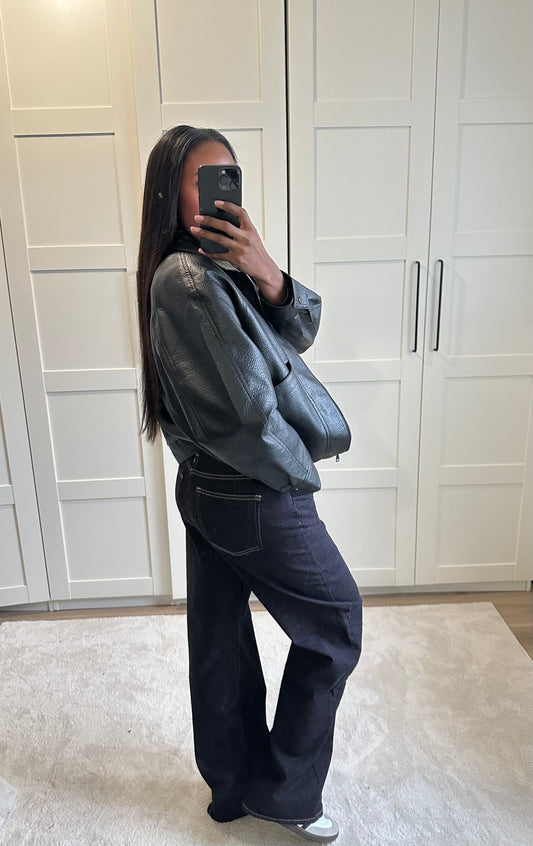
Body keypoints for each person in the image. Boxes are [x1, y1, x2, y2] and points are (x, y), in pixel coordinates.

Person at [136, 125, 362, 843]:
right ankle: (287, 793)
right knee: (336, 624)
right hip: (250, 488)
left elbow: (294, 335)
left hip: (210, 488)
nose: (219, 191)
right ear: (170, 192)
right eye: (203, 177)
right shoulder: (188, 279)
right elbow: (247, 411)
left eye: (228, 176)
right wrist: (296, 479)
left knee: (221, 641)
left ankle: (233, 789)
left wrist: (266, 270)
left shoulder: (215, 268)